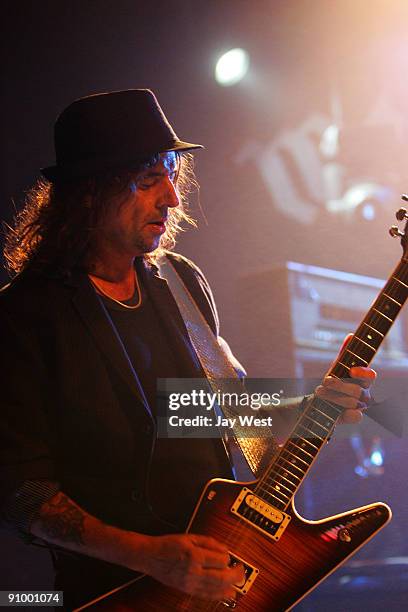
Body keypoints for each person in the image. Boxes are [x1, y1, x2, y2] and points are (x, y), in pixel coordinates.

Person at [0, 89, 375, 610]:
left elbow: (214, 412)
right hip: (113, 591)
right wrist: (149, 556)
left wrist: (310, 408)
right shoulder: (26, 315)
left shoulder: (178, 281)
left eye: (173, 176)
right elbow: (21, 491)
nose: (173, 198)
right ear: (90, 192)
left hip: (215, 581)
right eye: (150, 179)